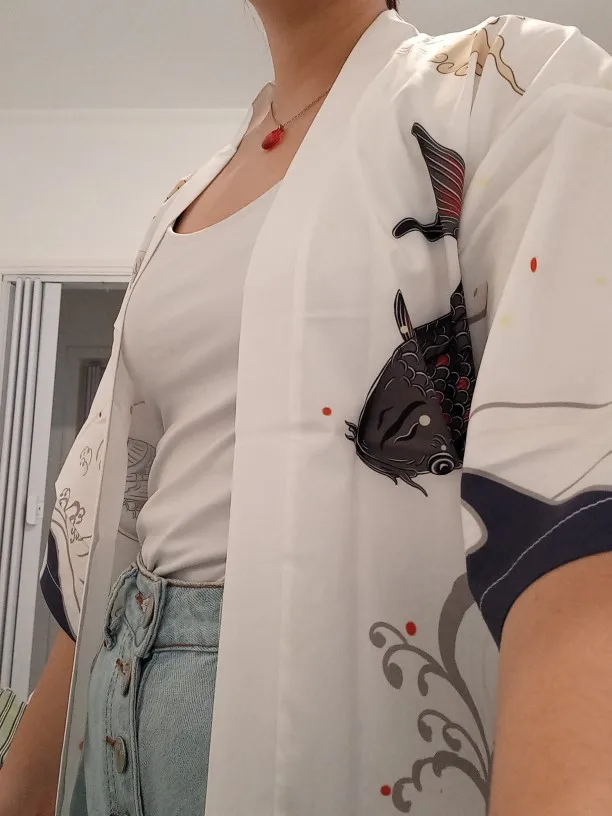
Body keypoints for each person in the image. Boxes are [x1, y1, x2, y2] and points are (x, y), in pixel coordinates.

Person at [2, 0, 612, 814]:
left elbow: (574, 484)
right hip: (119, 687)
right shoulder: (185, 197)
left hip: (323, 691)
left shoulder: (509, 85)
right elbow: (109, 519)